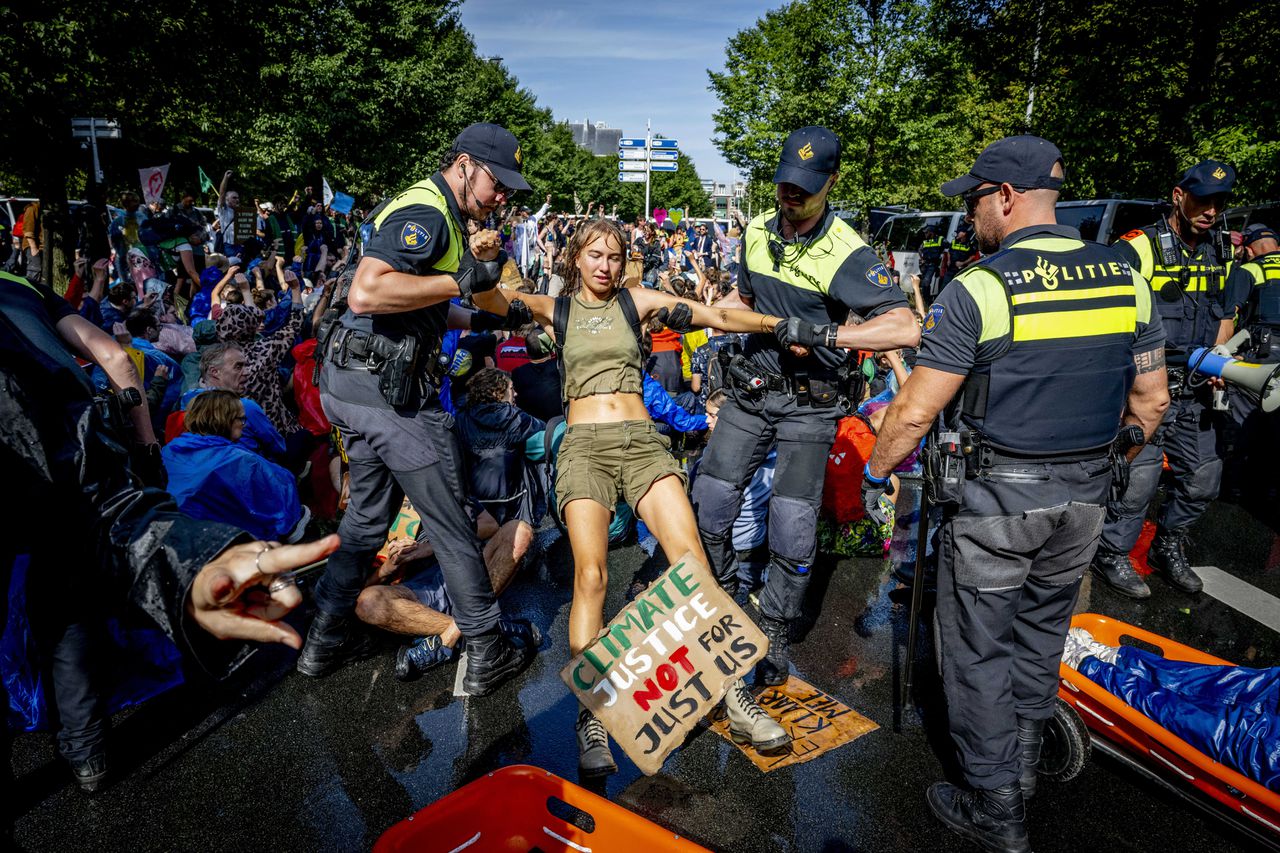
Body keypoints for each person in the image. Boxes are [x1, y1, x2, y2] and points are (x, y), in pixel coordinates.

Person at [861, 136, 1169, 853]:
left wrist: (879, 466)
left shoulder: (981, 287)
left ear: (1006, 196)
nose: (969, 218)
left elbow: (912, 412)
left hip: (998, 505)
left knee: (976, 651)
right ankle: (1024, 770)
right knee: (1039, 635)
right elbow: (1152, 400)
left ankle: (996, 808)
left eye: (974, 201)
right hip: (1086, 501)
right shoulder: (1127, 278)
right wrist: (1108, 456)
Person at [0, 269, 335, 809]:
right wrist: (145, 458)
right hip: (71, 481)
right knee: (68, 615)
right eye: (238, 367)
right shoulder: (17, 284)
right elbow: (112, 360)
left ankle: (84, 752)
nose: (245, 372)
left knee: (63, 610)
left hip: (63, 488)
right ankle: (89, 756)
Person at [481, 217, 798, 778]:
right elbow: (488, 299)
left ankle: (731, 696)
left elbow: (720, 316)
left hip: (641, 443)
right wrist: (481, 260)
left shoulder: (638, 301)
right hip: (582, 448)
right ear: (575, 257)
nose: (605, 265)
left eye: (615, 256)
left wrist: (784, 324)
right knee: (592, 577)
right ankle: (594, 713)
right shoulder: (556, 310)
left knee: (693, 565)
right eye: (595, 254)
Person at [304, 122, 537, 696]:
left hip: (353, 389)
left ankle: (322, 643)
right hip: (390, 397)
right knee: (454, 526)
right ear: (463, 165)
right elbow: (368, 292)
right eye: (497, 182)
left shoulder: (445, 214)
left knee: (365, 520)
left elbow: (424, 307)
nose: (503, 195)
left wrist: (496, 318)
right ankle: (487, 649)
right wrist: (459, 280)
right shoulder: (430, 212)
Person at [692, 126, 919, 691]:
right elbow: (740, 302)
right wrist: (692, 318)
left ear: (831, 183)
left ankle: (772, 628)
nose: (791, 196)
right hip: (750, 391)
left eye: (805, 188)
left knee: (791, 527)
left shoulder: (848, 250)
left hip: (809, 407)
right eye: (785, 184)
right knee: (710, 501)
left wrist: (824, 333)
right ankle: (725, 601)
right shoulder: (756, 232)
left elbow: (904, 324)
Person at [1091, 159, 1240, 599]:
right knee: (1138, 480)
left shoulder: (1223, 250)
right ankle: (1111, 553)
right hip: (1145, 387)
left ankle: (1168, 547)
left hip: (1196, 388)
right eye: (1202, 199)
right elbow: (1108, 317)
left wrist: (1222, 358)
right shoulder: (1138, 247)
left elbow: (1225, 315)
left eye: (1219, 202)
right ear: (1179, 195)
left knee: (1203, 478)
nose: (1211, 210)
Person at [162, 390, 309, 542]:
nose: (244, 425)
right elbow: (281, 491)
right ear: (225, 419)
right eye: (241, 419)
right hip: (231, 539)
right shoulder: (239, 460)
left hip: (184, 532)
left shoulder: (172, 450)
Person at [1221, 224, 1280, 496]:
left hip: (1260, 355)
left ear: (1247, 250)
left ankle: (1234, 485)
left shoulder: (1249, 270)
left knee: (1244, 418)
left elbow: (1229, 314)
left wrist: (1223, 356)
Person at [919, 225, 946, 301]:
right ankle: (926, 301)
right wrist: (922, 258)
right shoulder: (925, 241)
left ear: (932, 233)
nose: (925, 234)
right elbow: (920, 250)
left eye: (927, 233)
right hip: (925, 264)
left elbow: (948, 248)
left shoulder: (940, 239)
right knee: (924, 283)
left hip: (934, 264)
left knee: (926, 281)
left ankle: (927, 301)